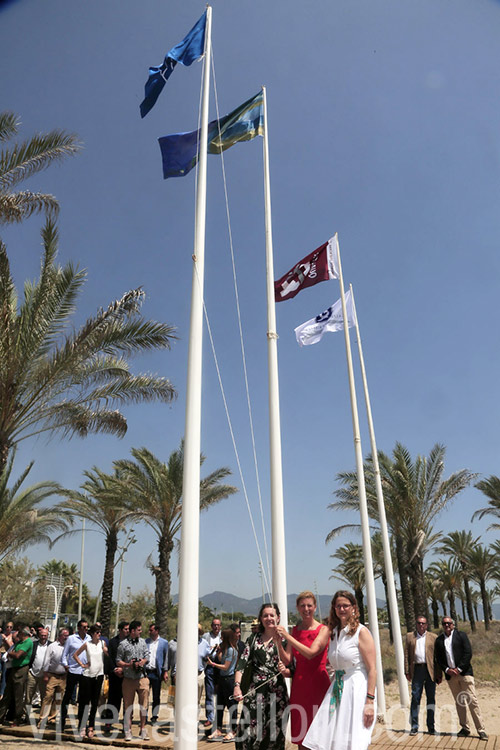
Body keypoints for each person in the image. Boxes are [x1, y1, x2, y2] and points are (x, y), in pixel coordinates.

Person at [302, 590, 376, 750]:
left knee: (353, 740)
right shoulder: (335, 633)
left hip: (357, 690)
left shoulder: (361, 632)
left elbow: (373, 670)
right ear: (334, 609)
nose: (342, 609)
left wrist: (369, 701)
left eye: (345, 606)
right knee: (327, 736)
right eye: (338, 606)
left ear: (354, 608)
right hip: (337, 689)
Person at [276, 591, 331, 746]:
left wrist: (287, 637)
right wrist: (278, 642)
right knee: (302, 732)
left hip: (319, 683)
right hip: (300, 685)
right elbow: (288, 659)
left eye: (309, 605)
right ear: (297, 608)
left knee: (320, 732)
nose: (306, 609)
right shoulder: (295, 630)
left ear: (315, 607)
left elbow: (311, 653)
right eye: (302, 606)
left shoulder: (323, 629)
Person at [233, 602, 289, 750]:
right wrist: (237, 686)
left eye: (272, 615)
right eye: (265, 615)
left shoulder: (285, 640)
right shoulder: (253, 639)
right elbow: (241, 665)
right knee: (248, 732)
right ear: (261, 618)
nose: (269, 618)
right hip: (254, 693)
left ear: (278, 617)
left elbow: (290, 665)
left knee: (274, 735)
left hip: (277, 694)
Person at [434, 616, 487, 740]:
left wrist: (459, 669)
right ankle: (465, 728)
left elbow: (468, 653)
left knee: (472, 701)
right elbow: (439, 659)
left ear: (453, 624)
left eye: (449, 623)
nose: (447, 625)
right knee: (459, 702)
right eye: (444, 624)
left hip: (464, 674)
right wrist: (447, 670)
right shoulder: (439, 640)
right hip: (451, 676)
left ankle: (481, 729)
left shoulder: (461, 635)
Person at [404, 615, 441, 736]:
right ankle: (414, 726)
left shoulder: (433, 637)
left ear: (426, 625)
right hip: (417, 670)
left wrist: (438, 674)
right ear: (416, 624)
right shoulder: (410, 636)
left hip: (430, 670)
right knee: (415, 698)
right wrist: (407, 671)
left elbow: (437, 658)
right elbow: (406, 655)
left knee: (431, 698)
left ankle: (431, 726)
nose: (421, 625)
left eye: (423, 623)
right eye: (419, 623)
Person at [117, 619, 150, 741]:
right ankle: (128, 730)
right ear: (132, 631)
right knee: (128, 706)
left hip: (142, 678)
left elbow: (147, 655)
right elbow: (118, 660)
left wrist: (143, 661)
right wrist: (128, 664)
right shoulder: (123, 644)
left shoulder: (142, 642)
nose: (141, 632)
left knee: (144, 705)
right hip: (128, 679)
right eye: (139, 630)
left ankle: (143, 729)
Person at [73, 624, 108, 738]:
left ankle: (91, 726)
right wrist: (82, 664)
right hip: (88, 675)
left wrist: (106, 651)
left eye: (100, 632)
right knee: (85, 702)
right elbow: (75, 655)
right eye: (97, 632)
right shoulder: (87, 644)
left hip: (99, 675)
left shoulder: (102, 644)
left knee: (95, 702)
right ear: (92, 634)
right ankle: (82, 725)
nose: (99, 634)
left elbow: (107, 655)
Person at [207, 628, 240, 742]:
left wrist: (213, 664)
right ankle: (218, 729)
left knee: (232, 706)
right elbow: (221, 660)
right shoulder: (225, 649)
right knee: (220, 705)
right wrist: (218, 651)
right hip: (222, 679)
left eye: (222, 636)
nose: (220, 638)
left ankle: (233, 730)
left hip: (229, 679)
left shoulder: (231, 650)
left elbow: (226, 666)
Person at [60, 619, 90, 732]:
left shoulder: (90, 639)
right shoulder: (71, 639)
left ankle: (81, 723)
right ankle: (62, 721)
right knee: (67, 697)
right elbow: (65, 654)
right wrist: (66, 665)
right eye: (83, 627)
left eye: (87, 627)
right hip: (72, 671)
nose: (85, 629)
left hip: (84, 672)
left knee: (83, 698)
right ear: (78, 628)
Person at [0, 626, 33, 726]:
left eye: (18, 635)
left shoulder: (28, 642)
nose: (17, 637)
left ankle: (17, 718)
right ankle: (1, 716)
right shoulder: (19, 643)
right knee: (6, 694)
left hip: (21, 669)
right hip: (13, 668)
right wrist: (12, 653)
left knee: (18, 695)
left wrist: (10, 653)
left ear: (23, 634)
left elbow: (18, 655)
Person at [38, 628, 69, 727]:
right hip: (52, 676)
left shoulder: (69, 647)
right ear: (59, 636)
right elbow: (46, 661)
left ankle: (52, 717)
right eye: (64, 635)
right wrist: (46, 675)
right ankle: (43, 719)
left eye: (67, 635)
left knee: (59, 698)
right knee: (48, 697)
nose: (66, 637)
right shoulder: (52, 646)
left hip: (63, 677)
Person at [103, 620, 129, 733]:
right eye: (126, 629)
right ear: (120, 629)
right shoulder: (113, 642)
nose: (127, 631)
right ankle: (109, 721)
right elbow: (110, 658)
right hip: (115, 675)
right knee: (113, 699)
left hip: (127, 675)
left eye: (128, 629)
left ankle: (126, 724)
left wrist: (124, 669)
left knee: (127, 701)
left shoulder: (131, 642)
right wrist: (115, 669)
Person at [145, 623, 169, 723]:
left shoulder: (163, 643)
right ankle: (144, 716)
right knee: (145, 695)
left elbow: (166, 658)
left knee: (156, 696)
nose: (150, 632)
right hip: (146, 672)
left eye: (152, 630)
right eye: (149, 630)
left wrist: (165, 671)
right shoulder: (146, 642)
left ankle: (154, 715)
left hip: (156, 672)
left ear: (157, 631)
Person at [26, 627, 51, 716]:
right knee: (28, 697)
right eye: (42, 635)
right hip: (32, 673)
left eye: (45, 635)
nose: (43, 637)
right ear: (39, 635)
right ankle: (26, 716)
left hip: (45, 675)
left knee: (45, 697)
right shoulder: (33, 644)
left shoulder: (51, 646)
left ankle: (43, 717)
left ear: (48, 635)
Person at [202, 617, 222, 728]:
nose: (216, 627)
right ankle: (209, 717)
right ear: (211, 626)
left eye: (218, 625)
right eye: (214, 625)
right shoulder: (206, 636)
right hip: (209, 666)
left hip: (220, 666)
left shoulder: (223, 638)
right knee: (209, 693)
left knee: (219, 694)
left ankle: (218, 717)